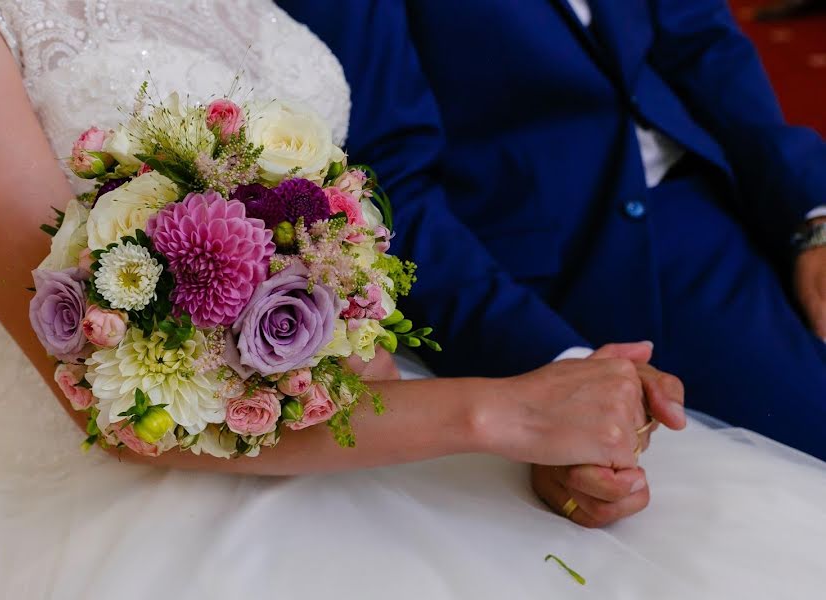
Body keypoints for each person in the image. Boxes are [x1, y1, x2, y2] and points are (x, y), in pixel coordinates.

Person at [0, 2, 826, 599]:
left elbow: (351, 219)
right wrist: (497, 411)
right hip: (140, 500)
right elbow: (97, 390)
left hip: (364, 409)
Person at [277, 0, 826, 466]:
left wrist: (811, 216)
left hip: (732, 183)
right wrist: (557, 367)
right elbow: (386, 183)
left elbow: (704, 42)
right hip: (581, 263)